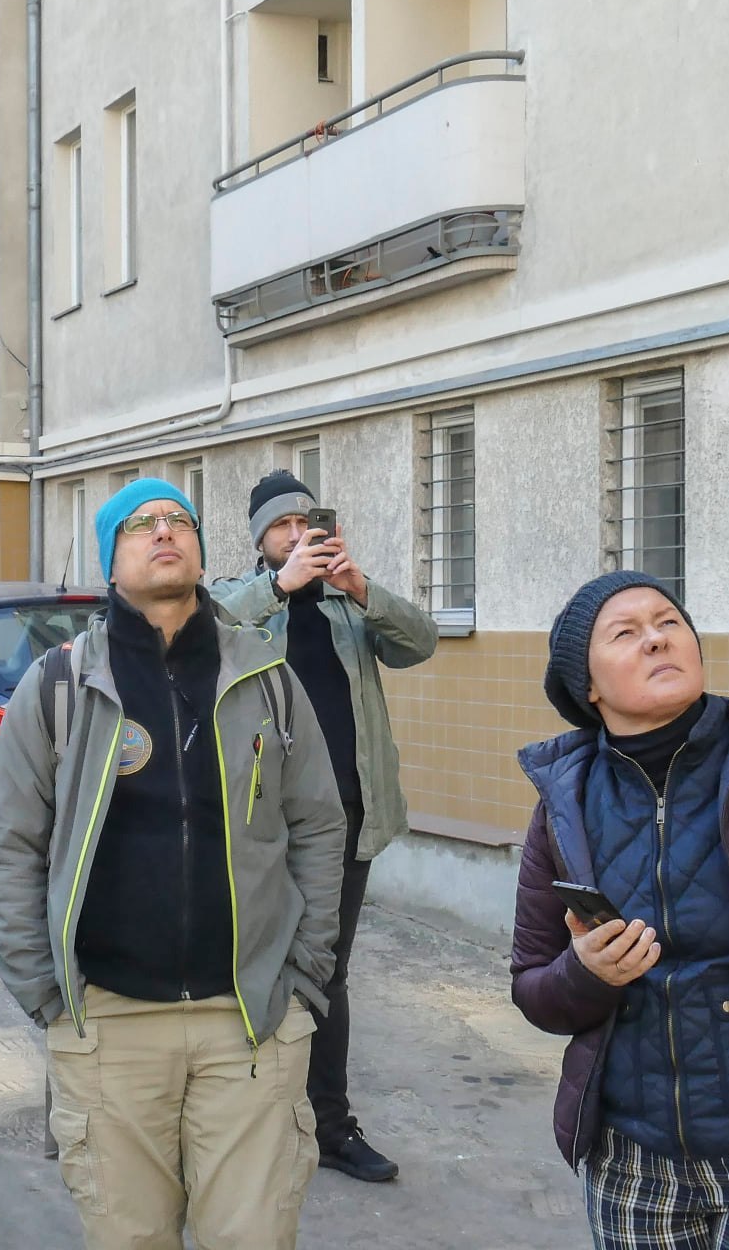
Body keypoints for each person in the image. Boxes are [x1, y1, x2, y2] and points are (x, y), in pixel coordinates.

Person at [0, 477, 346, 1250]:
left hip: (247, 1022)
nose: (162, 531)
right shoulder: (60, 684)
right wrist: (44, 990)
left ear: (200, 549)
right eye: (139, 524)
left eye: (178, 519)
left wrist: (306, 974)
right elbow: (10, 841)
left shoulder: (264, 678)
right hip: (109, 1021)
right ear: (108, 561)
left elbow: (318, 825)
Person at [512, 571, 729, 1248]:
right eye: (625, 633)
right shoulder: (563, 807)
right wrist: (583, 973)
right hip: (630, 1161)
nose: (656, 640)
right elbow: (532, 988)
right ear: (588, 687)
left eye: (668, 622)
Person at [211, 470, 438, 1182]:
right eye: (283, 526)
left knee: (326, 974)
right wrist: (278, 586)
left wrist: (361, 588)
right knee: (245, 969)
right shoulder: (237, 600)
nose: (299, 534)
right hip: (259, 826)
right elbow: (196, 634)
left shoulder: (346, 607)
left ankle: (330, 1126)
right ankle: (241, 1124)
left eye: (309, 522)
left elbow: (421, 642)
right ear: (260, 540)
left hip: (347, 822)